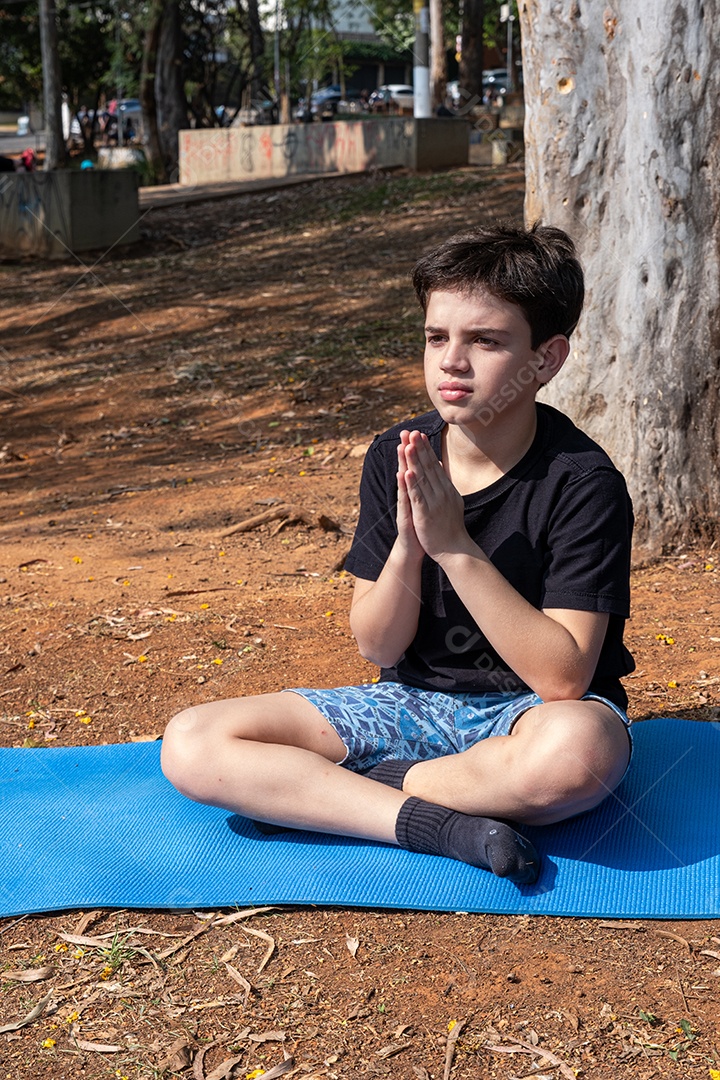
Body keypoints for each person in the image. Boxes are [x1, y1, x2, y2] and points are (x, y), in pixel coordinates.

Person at [161, 223, 635, 887]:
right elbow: (379, 649)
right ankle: (436, 824)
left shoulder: (581, 481)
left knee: (578, 758)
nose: (452, 362)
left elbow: (563, 678)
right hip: (413, 705)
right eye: (437, 337)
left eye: (486, 341)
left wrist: (455, 547)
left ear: (545, 360)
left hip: (532, 714)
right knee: (191, 744)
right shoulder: (398, 454)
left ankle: (348, 789)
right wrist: (410, 546)